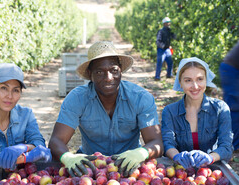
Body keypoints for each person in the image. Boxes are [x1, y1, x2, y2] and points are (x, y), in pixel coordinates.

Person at [49, 41, 163, 177]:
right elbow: (56, 141)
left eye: (114, 70)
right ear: (90, 74)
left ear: (121, 69)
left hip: (130, 165)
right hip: (90, 166)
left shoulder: (140, 98)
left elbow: (156, 142)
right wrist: (68, 157)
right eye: (99, 72)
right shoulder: (77, 98)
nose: (108, 78)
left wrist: (141, 153)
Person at [161, 57, 233, 169]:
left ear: (206, 80)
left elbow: (226, 147)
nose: (195, 86)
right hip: (180, 172)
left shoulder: (220, 108)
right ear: (180, 83)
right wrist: (176, 156)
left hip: (212, 171)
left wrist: (210, 157)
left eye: (200, 79)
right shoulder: (170, 111)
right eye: (188, 80)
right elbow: (167, 143)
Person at [154, 17, 176, 81]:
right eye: (167, 23)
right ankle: (157, 76)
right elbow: (158, 41)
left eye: (169, 22)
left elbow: (174, 37)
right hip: (161, 50)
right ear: (164, 23)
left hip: (167, 49)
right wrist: (163, 46)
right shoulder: (161, 31)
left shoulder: (170, 31)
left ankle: (169, 74)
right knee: (160, 62)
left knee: (170, 62)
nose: (168, 24)